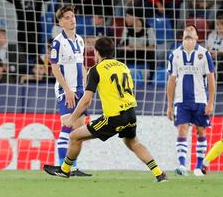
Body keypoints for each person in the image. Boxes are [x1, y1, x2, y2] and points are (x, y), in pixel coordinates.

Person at [44, 36, 167, 182]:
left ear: (96, 52)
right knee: (133, 142)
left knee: (74, 136)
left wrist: (71, 119)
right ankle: (159, 173)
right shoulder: (123, 67)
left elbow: (86, 100)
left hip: (113, 117)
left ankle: (64, 170)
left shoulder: (96, 70)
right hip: (131, 113)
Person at [166, 25, 215, 177]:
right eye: (186, 30)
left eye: (192, 30)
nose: (188, 30)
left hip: (200, 100)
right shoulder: (175, 55)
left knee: (201, 131)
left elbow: (211, 79)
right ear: (182, 37)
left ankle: (198, 167)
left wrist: (211, 102)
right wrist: (169, 105)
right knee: (182, 130)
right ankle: (182, 166)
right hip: (181, 101)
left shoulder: (204, 54)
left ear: (197, 37)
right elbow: (171, 81)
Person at [49, 5, 90, 177]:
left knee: (78, 132)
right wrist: (67, 90)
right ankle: (61, 166)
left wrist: (87, 88)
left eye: (72, 16)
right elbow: (54, 69)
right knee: (67, 126)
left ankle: (72, 167)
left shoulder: (80, 40)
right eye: (66, 17)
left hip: (80, 91)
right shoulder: (58, 42)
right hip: (65, 90)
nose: (71, 19)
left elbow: (81, 66)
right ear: (60, 22)